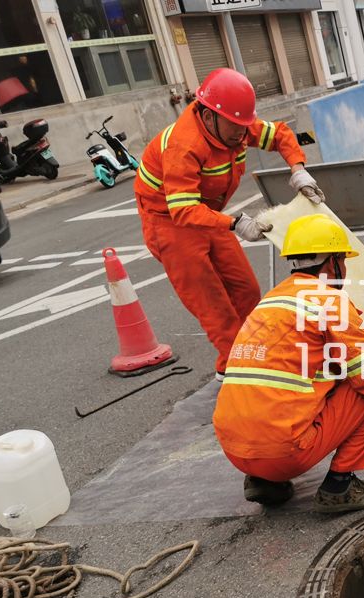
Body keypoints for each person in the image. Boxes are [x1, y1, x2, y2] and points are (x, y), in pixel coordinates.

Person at [213, 214, 364, 511]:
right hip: (281, 452)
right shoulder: (330, 301)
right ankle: (340, 486)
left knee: (314, 383)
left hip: (235, 450)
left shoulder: (271, 302)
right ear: (332, 262)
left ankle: (263, 482)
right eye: (342, 261)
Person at [134, 67, 326, 379]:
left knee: (246, 289)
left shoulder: (234, 125)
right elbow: (183, 210)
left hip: (207, 213)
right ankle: (234, 371)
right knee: (213, 304)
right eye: (236, 126)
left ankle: (257, 355)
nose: (243, 133)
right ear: (209, 115)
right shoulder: (185, 145)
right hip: (169, 220)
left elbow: (279, 134)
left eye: (245, 125)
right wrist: (236, 223)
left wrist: (298, 169)